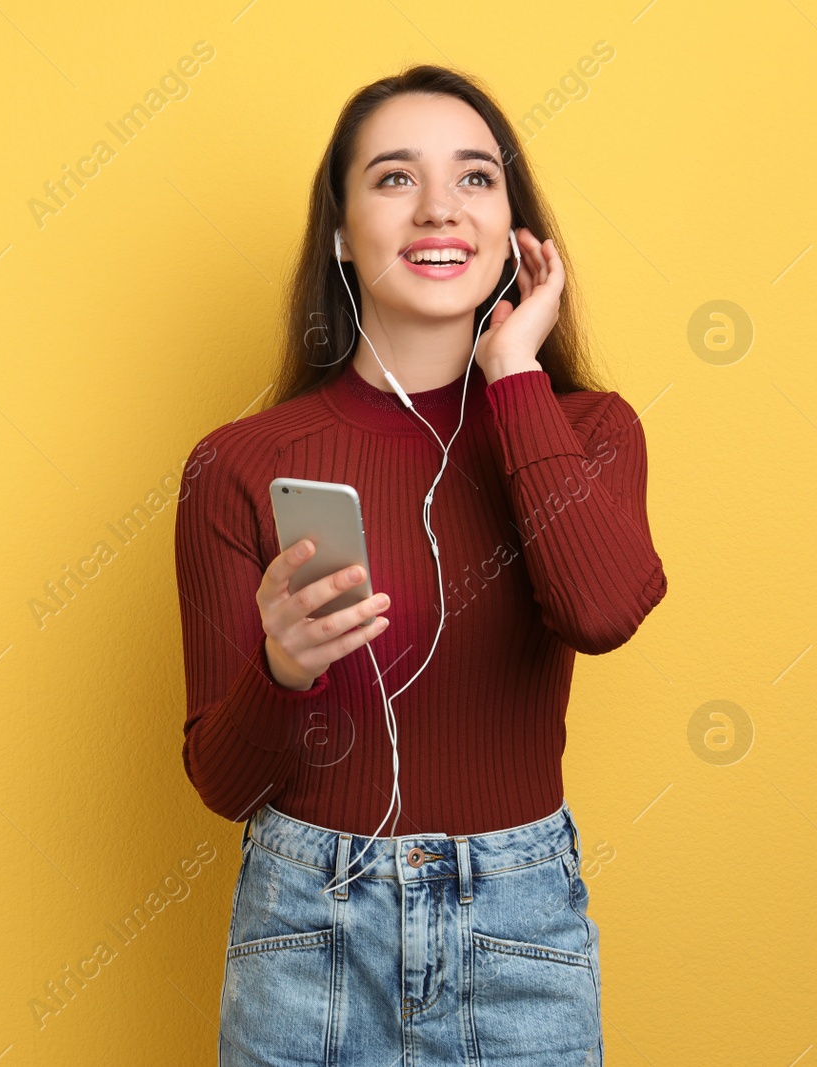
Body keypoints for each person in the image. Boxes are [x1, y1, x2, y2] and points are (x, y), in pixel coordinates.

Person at [172, 64, 667, 1066]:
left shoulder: (588, 430)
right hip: (305, 923)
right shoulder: (237, 464)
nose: (440, 206)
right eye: (395, 179)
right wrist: (284, 670)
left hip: (517, 920)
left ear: (518, 235)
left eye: (476, 179)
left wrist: (513, 372)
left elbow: (602, 609)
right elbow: (221, 782)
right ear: (342, 234)